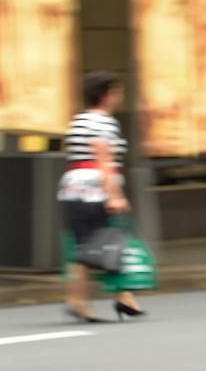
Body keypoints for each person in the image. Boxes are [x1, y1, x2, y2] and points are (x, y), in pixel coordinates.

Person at [57, 71, 145, 323]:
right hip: (94, 190)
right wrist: (114, 195)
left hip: (72, 189)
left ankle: (123, 297)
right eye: (116, 92)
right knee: (100, 245)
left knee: (94, 244)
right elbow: (103, 158)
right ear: (106, 94)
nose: (119, 97)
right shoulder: (103, 122)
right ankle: (81, 300)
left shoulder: (79, 120)